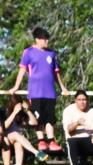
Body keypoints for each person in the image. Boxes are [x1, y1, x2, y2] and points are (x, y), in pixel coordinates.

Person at [9, 27, 67, 155]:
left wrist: (62, 87)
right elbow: (22, 70)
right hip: (36, 92)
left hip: (50, 92)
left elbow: (56, 73)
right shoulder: (28, 52)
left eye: (47, 39)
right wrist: (16, 87)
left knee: (50, 118)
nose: (47, 41)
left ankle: (51, 141)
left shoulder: (52, 53)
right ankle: (41, 140)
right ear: (37, 39)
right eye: (44, 39)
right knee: (38, 118)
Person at [3, 96, 47, 165]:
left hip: (18, 142)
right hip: (5, 141)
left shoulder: (22, 115)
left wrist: (27, 110)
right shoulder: (4, 112)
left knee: (18, 144)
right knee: (15, 134)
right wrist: (14, 112)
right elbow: (3, 127)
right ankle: (36, 152)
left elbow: (34, 123)